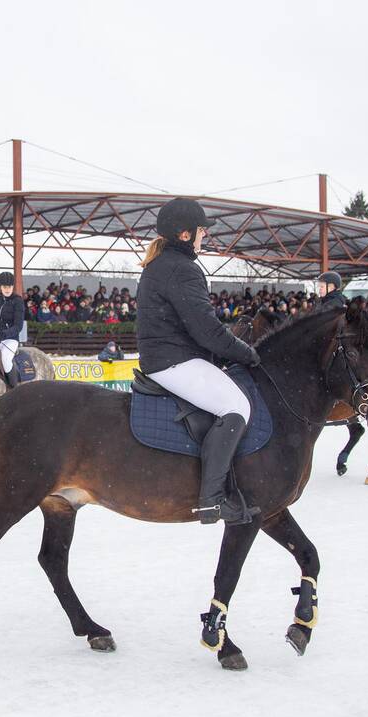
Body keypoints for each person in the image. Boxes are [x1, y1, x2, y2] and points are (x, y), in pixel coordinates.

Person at [136, 197, 260, 525]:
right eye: (202, 230)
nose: (206, 236)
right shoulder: (182, 268)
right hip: (174, 361)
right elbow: (207, 329)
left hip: (168, 357)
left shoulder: (161, 263)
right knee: (237, 407)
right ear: (186, 235)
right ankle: (213, 500)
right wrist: (247, 353)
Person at [0, 271, 26, 386]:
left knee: (6, 360)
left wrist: (3, 335)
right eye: (4, 287)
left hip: (10, 339)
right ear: (0, 287)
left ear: (13, 287)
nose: (7, 289)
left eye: (10, 286)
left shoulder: (18, 302)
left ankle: (13, 389)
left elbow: (18, 326)